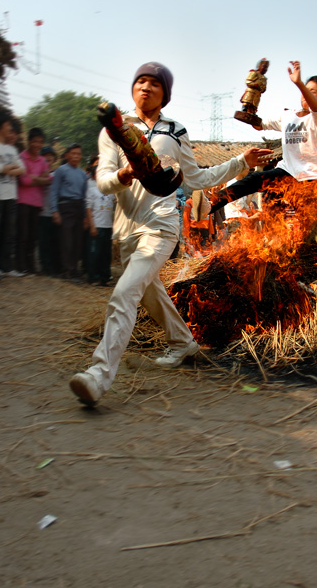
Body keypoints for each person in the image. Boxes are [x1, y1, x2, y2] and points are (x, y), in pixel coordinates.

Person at [69, 61, 272, 406]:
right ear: (133, 88)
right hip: (127, 230)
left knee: (125, 293)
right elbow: (103, 181)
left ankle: (99, 375)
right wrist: (123, 175)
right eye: (140, 82)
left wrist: (241, 162)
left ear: (165, 94)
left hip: (161, 227)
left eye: (154, 84)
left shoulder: (175, 131)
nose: (145, 88)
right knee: (149, 293)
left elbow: (197, 179)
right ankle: (183, 343)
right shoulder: (113, 131)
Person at [210, 61, 317, 240]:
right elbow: (260, 125)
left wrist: (298, 83)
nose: (305, 96)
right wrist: (251, 104)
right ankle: (212, 203)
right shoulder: (288, 115)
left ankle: (309, 254)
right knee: (256, 181)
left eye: (313, 92)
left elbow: (315, 107)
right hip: (286, 171)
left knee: (309, 231)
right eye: (305, 91)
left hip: (308, 178)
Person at [0, 111, 25, 276]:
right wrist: (9, 169)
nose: (9, 127)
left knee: (9, 232)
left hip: (11, 195)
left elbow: (22, 169)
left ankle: (7, 267)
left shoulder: (12, 149)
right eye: (7, 124)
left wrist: (5, 170)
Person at [50, 143, 88, 281]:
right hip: (65, 206)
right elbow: (53, 191)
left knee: (77, 240)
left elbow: (84, 196)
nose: (76, 156)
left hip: (78, 207)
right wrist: (55, 211)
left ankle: (74, 269)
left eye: (78, 154)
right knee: (67, 240)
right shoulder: (61, 170)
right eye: (73, 153)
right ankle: (66, 270)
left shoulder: (83, 174)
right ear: (67, 155)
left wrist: (85, 216)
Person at [16, 128, 51, 274]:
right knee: (22, 235)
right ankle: (20, 265)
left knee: (32, 236)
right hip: (23, 201)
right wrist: (39, 179)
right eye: (35, 141)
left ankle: (30, 266)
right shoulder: (21, 158)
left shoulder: (42, 160)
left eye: (40, 142)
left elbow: (49, 179)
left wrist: (34, 178)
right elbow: (23, 180)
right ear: (29, 141)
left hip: (37, 203)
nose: (37, 144)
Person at [86, 165, 115, 285]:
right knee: (94, 253)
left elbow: (116, 201)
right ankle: (93, 278)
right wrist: (92, 226)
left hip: (108, 226)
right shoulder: (92, 191)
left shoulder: (111, 192)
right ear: (94, 176)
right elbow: (88, 209)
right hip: (97, 226)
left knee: (106, 254)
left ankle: (105, 278)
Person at [38, 145, 60, 276]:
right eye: (45, 159)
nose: (48, 161)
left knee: (54, 241)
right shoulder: (39, 174)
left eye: (50, 159)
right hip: (41, 212)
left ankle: (53, 267)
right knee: (43, 241)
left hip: (54, 213)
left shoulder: (57, 174)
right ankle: (44, 267)